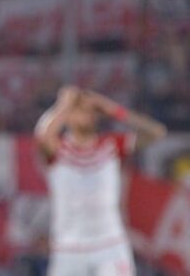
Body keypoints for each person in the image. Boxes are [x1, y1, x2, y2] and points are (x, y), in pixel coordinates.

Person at [34, 85, 167, 276]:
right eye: (80, 111)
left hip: (109, 245)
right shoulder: (58, 151)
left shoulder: (110, 145)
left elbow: (156, 132)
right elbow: (42, 137)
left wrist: (111, 108)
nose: (88, 116)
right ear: (68, 117)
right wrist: (63, 105)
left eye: (91, 111)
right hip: (69, 248)